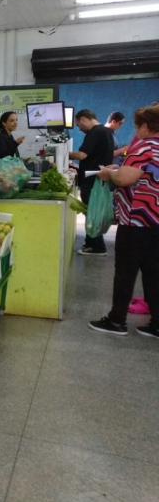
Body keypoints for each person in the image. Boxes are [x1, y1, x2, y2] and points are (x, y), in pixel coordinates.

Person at [89, 104, 159, 339]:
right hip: (155, 219)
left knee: (126, 271)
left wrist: (110, 173)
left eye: (137, 126)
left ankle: (116, 320)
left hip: (136, 220)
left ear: (146, 126)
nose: (136, 131)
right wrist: (119, 168)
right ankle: (157, 324)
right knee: (153, 272)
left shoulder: (146, 147)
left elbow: (125, 179)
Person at [70, 109, 114, 255]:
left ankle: (97, 247)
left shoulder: (95, 132)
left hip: (92, 180)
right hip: (99, 179)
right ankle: (91, 243)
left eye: (78, 124)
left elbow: (82, 155)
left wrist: (65, 154)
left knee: (92, 213)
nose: (79, 128)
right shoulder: (106, 132)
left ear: (83, 119)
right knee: (93, 212)